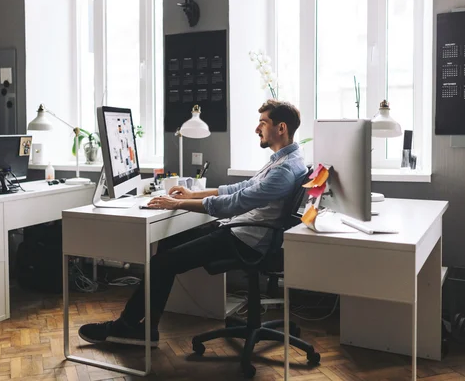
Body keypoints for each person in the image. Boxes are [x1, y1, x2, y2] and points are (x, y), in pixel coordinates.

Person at [78, 99, 307, 347]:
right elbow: (240, 188)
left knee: (161, 264)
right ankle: (147, 329)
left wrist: (178, 204)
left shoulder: (283, 170)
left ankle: (127, 325)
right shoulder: (286, 159)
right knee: (167, 243)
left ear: (281, 128)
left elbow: (235, 203)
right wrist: (192, 195)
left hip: (245, 240)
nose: (256, 129)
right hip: (241, 230)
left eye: (262, 123)